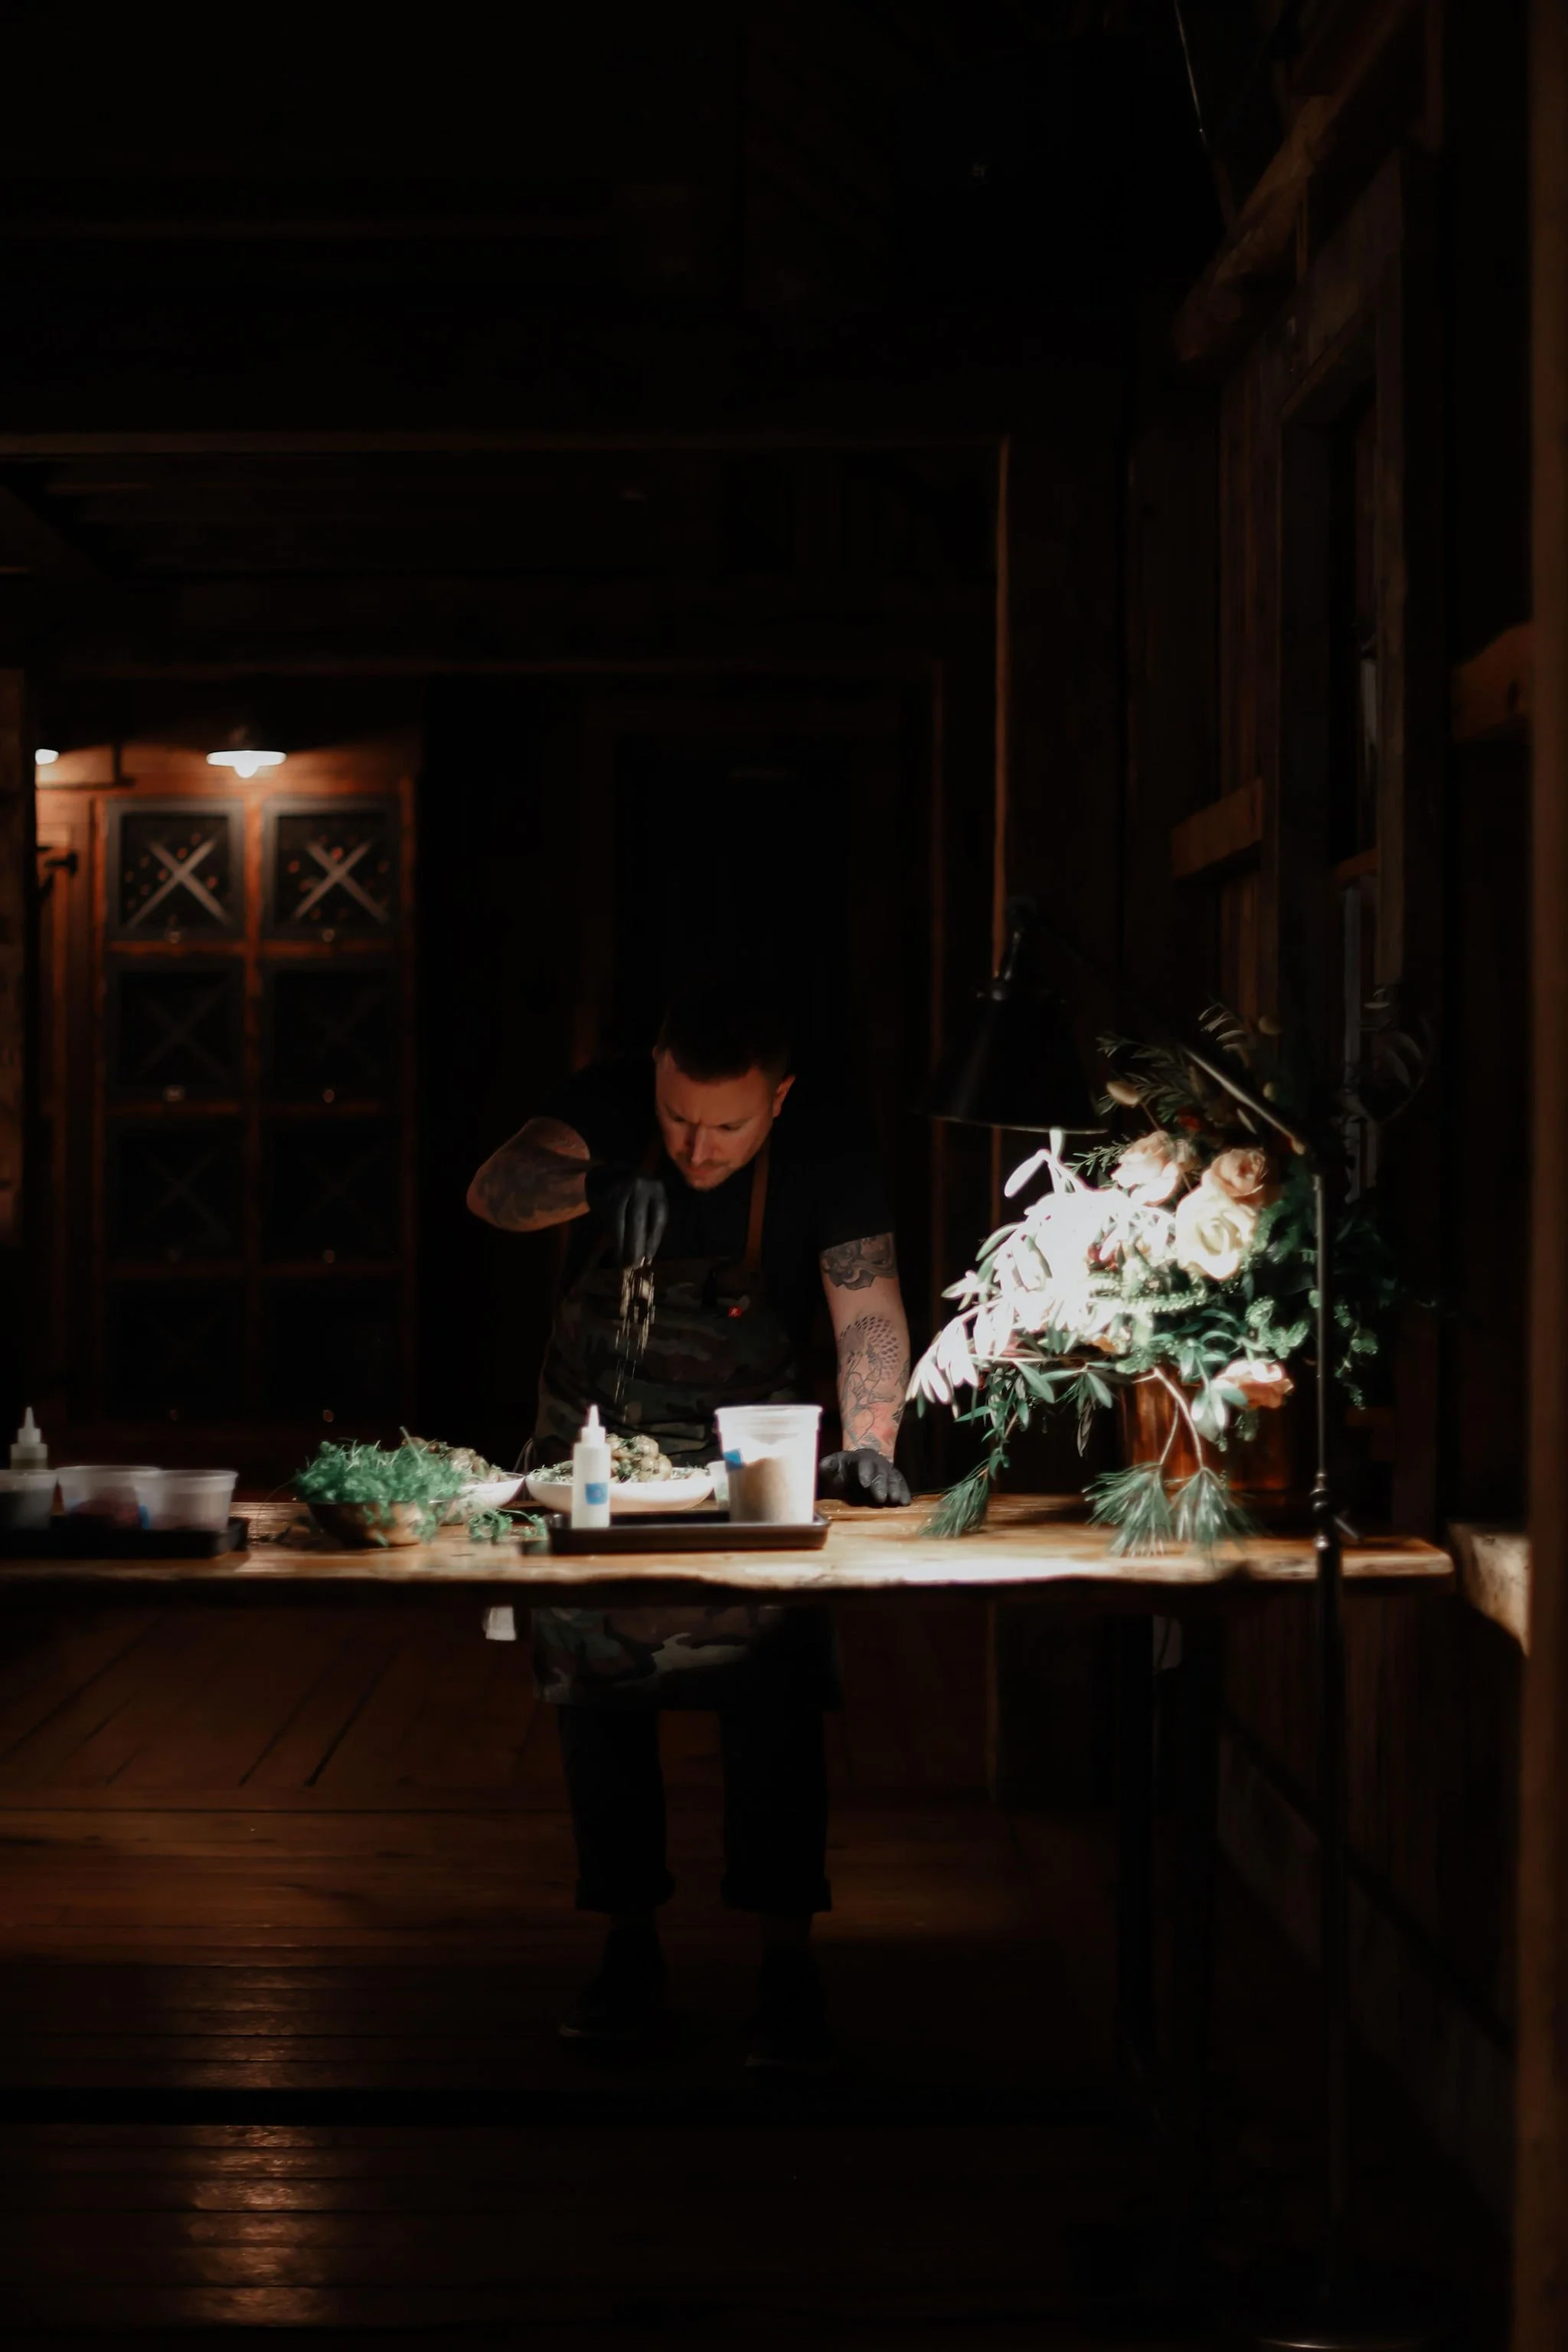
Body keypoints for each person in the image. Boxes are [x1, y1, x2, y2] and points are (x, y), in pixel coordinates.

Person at [466, 978, 912, 2071]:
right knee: (598, 1706)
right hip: (593, 1460)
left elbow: (869, 1310)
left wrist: (871, 1445)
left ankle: (784, 1961)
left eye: (726, 1126)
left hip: (749, 1458)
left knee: (777, 1705)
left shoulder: (828, 1147)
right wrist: (600, 1184)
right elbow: (494, 1193)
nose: (698, 1149)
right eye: (678, 1118)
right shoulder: (611, 1107)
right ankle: (628, 1951)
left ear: (782, 1097)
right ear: (653, 1076)